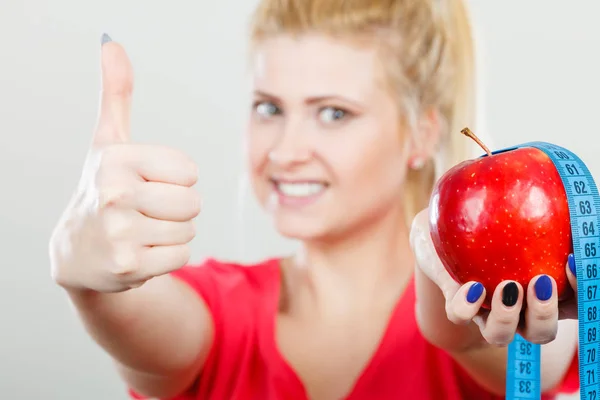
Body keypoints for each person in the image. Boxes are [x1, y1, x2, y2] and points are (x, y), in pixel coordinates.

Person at [49, 0, 581, 399]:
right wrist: (85, 277)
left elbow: (539, 357)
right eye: (269, 108)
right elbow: (136, 317)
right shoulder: (216, 312)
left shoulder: (482, 316)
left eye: (333, 113)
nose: (286, 150)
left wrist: (457, 316)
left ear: (421, 134)